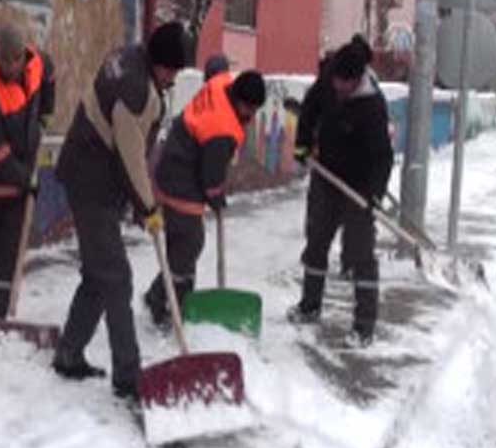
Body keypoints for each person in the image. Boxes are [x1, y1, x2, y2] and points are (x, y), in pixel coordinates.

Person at [52, 21, 187, 400]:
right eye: (172, 71)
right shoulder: (135, 91)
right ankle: (129, 376)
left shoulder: (131, 59)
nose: (173, 79)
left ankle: (69, 352)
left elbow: (131, 154)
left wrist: (143, 204)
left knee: (99, 274)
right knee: (117, 278)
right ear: (158, 62)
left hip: (91, 173)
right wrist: (148, 207)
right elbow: (131, 159)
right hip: (90, 181)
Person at [289, 36, 393, 348]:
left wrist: (374, 195)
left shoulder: (373, 106)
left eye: (344, 85)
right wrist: (303, 145)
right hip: (327, 175)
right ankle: (309, 305)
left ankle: (363, 326)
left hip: (359, 185)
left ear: (357, 79)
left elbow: (382, 157)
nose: (338, 89)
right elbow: (309, 110)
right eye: (335, 81)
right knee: (317, 241)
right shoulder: (329, 79)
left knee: (359, 254)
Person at [143, 70, 267, 327]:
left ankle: (160, 293)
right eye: (250, 109)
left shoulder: (221, 84)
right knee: (189, 244)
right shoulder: (222, 129)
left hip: (172, 158)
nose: (251, 116)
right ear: (241, 101)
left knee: (181, 245)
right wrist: (216, 197)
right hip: (182, 181)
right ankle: (166, 303)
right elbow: (211, 177)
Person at [0, 23, 55, 319]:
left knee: (11, 254)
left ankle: (1, 315)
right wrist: (24, 178)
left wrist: (44, 118)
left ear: (23, 55)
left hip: (17, 184)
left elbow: (50, 76)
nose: (11, 66)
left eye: (16, 59)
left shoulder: (37, 64)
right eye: (5, 60)